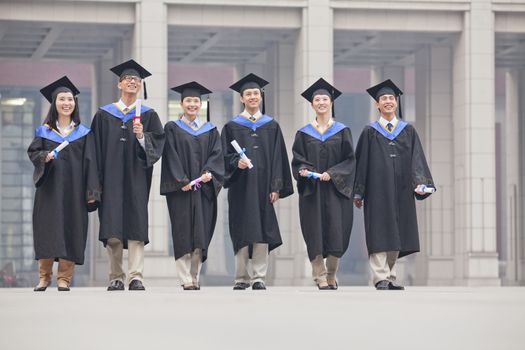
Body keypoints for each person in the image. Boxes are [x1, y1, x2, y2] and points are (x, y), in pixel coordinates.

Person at [353, 79, 435, 291]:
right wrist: (359, 191)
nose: (388, 101)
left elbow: (417, 159)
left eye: (391, 98)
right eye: (383, 99)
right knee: (379, 231)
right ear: (377, 105)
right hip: (377, 190)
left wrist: (421, 183)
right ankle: (380, 276)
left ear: (396, 102)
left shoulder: (407, 131)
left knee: (397, 232)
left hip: (402, 190)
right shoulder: (369, 132)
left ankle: (390, 275)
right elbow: (361, 164)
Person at [90, 59, 165, 291]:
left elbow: (158, 144)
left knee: (136, 227)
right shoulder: (103, 115)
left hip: (136, 179)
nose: (132, 82)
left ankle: (136, 276)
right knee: (112, 229)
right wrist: (94, 186)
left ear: (140, 86)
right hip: (110, 180)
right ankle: (115, 275)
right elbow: (93, 152)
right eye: (128, 79)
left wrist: (143, 137)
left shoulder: (149, 115)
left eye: (136, 80)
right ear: (119, 84)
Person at [221, 73, 293, 290]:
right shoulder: (232, 127)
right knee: (242, 229)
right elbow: (223, 157)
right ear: (241, 98)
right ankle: (241, 277)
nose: (252, 97)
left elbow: (278, 158)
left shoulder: (271, 126)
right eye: (248, 94)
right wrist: (236, 163)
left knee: (262, 228)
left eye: (255, 93)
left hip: (264, 188)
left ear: (260, 96)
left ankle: (259, 277)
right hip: (240, 187)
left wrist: (276, 186)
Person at [27, 76, 100, 291]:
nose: (66, 103)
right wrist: (43, 157)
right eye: (62, 99)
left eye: (70, 99)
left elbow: (91, 163)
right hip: (49, 190)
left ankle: (64, 278)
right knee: (47, 229)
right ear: (54, 103)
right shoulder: (44, 132)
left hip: (74, 191)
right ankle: (44, 277)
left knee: (72, 229)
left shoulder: (84, 133)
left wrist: (91, 191)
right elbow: (33, 153)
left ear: (75, 103)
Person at [292, 78, 355, 290]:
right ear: (311, 104)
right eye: (317, 99)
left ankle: (332, 273)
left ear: (331, 103)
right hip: (313, 191)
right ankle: (319, 275)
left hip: (336, 191)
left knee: (337, 231)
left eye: (325, 99)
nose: (321, 102)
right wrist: (303, 170)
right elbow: (297, 158)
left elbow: (350, 160)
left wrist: (332, 173)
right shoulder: (303, 133)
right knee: (314, 232)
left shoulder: (342, 130)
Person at [160, 81, 224, 290]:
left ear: (201, 104)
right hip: (181, 191)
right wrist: (181, 181)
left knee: (200, 233)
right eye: (188, 100)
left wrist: (209, 174)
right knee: (182, 231)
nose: (192, 104)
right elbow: (170, 155)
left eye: (196, 101)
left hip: (203, 189)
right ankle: (184, 277)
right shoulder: (171, 128)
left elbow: (217, 156)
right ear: (181, 103)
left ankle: (194, 275)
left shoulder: (211, 130)